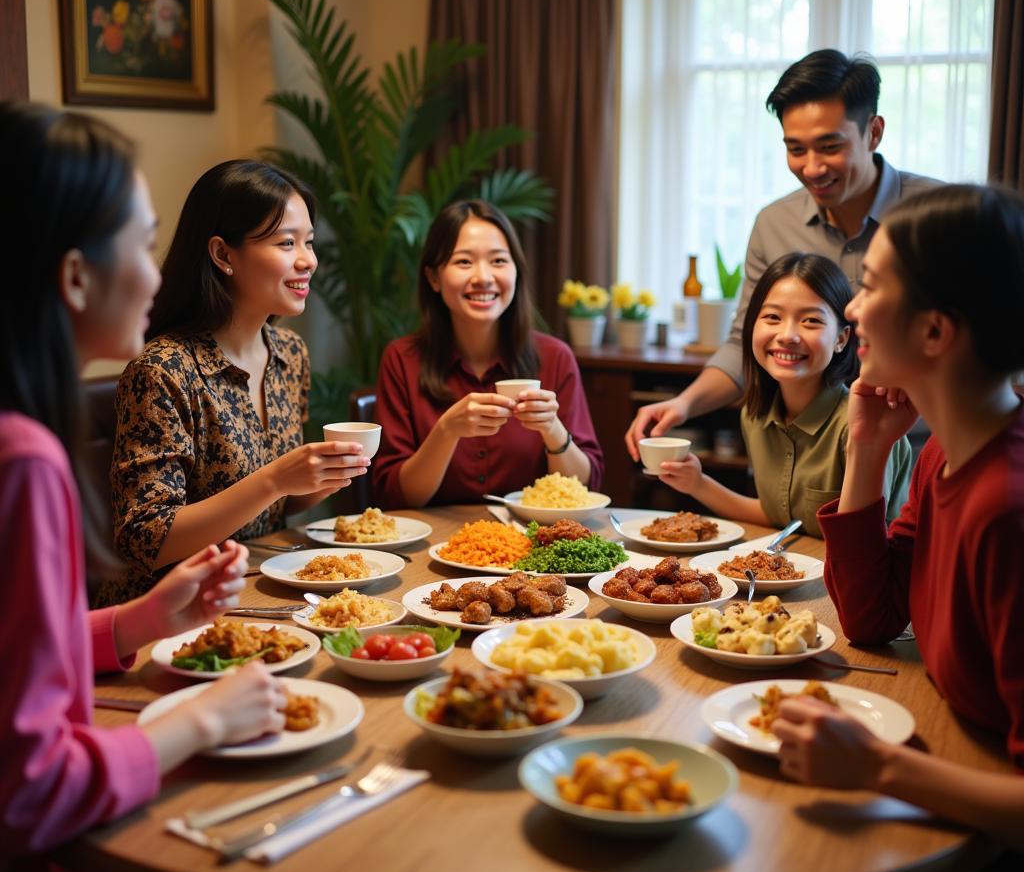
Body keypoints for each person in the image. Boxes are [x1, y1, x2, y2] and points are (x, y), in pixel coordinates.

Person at [0, 102, 289, 872]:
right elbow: (26, 791)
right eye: (140, 241)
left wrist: (131, 621)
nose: (158, 275)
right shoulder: (24, 460)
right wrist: (202, 720)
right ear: (75, 276)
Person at [772, 184, 1024, 846]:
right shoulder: (946, 449)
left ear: (935, 330)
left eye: (871, 287)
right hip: (952, 757)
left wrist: (882, 767)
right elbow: (872, 619)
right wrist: (869, 448)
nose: (850, 310)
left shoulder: (1007, 508)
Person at [625, 48, 939, 460]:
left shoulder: (938, 216)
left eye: (829, 146)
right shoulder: (774, 223)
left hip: (919, 450)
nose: (811, 167)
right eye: (796, 149)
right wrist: (684, 404)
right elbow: (745, 341)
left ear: (874, 132)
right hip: (800, 455)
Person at [97, 160, 369, 604]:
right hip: (166, 611)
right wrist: (276, 480)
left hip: (260, 589)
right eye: (286, 243)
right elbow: (147, 537)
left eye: (309, 242)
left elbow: (270, 508)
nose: (308, 261)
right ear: (223, 254)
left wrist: (315, 481)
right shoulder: (163, 370)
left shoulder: (289, 353)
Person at [656, 253, 910, 537]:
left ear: (841, 339)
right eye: (773, 317)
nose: (788, 335)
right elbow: (777, 514)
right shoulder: (755, 417)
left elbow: (864, 542)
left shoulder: (864, 424)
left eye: (811, 321)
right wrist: (697, 483)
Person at [373, 199, 603, 507]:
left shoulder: (555, 358)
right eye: (464, 262)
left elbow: (584, 488)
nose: (483, 277)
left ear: (516, 272)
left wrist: (552, 429)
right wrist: (447, 430)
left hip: (532, 544)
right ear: (434, 278)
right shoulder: (402, 360)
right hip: (434, 546)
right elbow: (398, 495)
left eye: (498, 261)